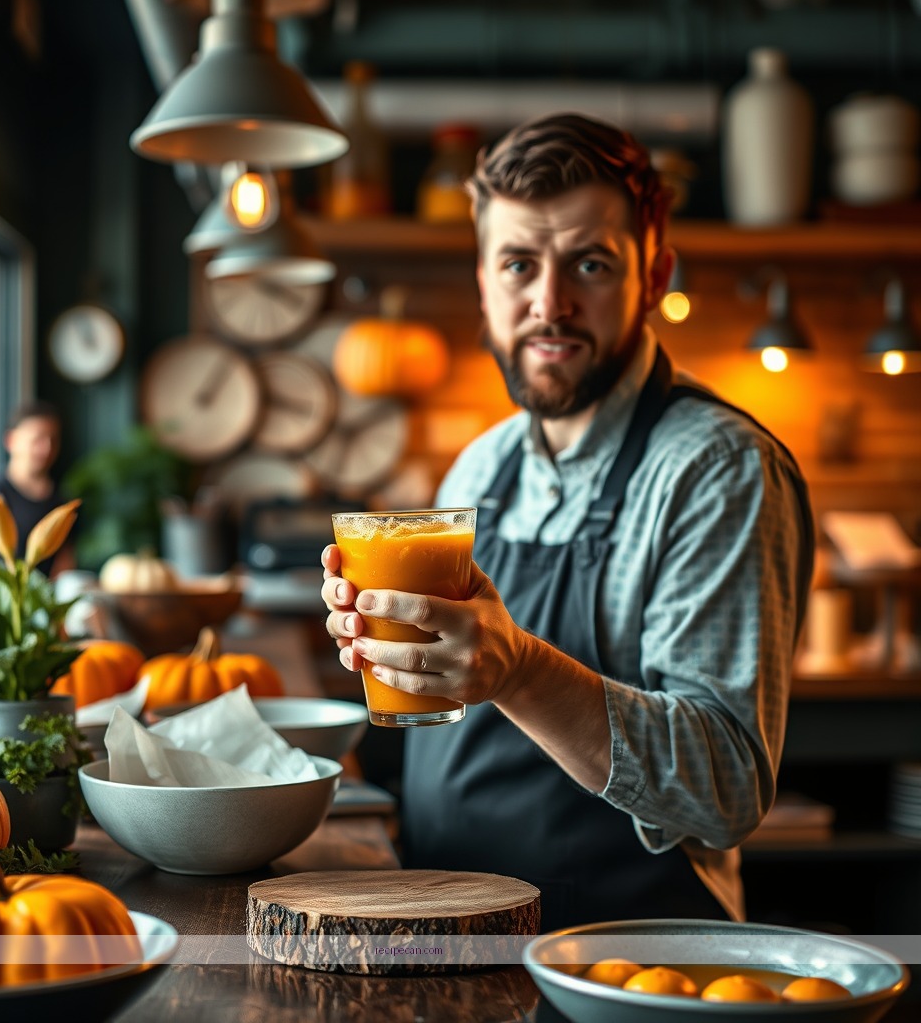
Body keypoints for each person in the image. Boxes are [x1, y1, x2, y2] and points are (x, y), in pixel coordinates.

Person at [321, 112, 815, 931]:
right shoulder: (480, 466)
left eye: (590, 263)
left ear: (654, 276)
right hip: (452, 937)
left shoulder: (716, 469)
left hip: (625, 960)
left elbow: (726, 790)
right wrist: (386, 642)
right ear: (484, 281)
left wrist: (519, 673)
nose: (549, 304)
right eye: (519, 264)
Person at [0, 400, 74, 576]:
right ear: (11, 441)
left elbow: (66, 558)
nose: (47, 449)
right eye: (37, 439)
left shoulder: (63, 498)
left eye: (53, 440)